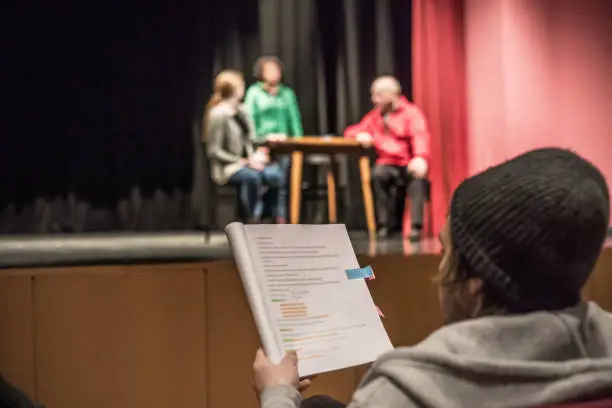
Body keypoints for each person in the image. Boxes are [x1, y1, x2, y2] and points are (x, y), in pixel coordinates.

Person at [251, 148, 612, 408]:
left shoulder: (407, 394)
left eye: (445, 254)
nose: (439, 272)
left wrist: (277, 395)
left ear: (474, 287)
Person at [345, 76, 430, 241]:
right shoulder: (376, 116)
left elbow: (420, 136)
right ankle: (384, 225)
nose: (373, 100)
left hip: (408, 162)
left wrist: (420, 157)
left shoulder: (411, 113)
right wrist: (360, 135)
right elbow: (351, 131)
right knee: (378, 175)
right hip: (387, 162)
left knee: (417, 179)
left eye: (377, 95)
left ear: (390, 95)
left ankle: (415, 227)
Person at [204, 70, 285, 223]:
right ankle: (250, 218)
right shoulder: (218, 115)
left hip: (249, 162)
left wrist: (267, 140)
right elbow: (214, 151)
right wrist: (242, 161)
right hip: (229, 168)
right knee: (251, 177)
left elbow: (252, 138)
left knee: (275, 175)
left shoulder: (242, 111)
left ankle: (268, 217)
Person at [244, 56, 304, 223]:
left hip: (284, 145)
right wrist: (259, 141)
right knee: (262, 180)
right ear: (261, 73)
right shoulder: (254, 92)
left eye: (276, 69)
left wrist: (297, 141)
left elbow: (294, 119)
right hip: (261, 144)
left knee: (282, 183)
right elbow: (250, 120)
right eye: (269, 70)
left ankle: (281, 217)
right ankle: (257, 216)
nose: (274, 73)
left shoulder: (287, 93)